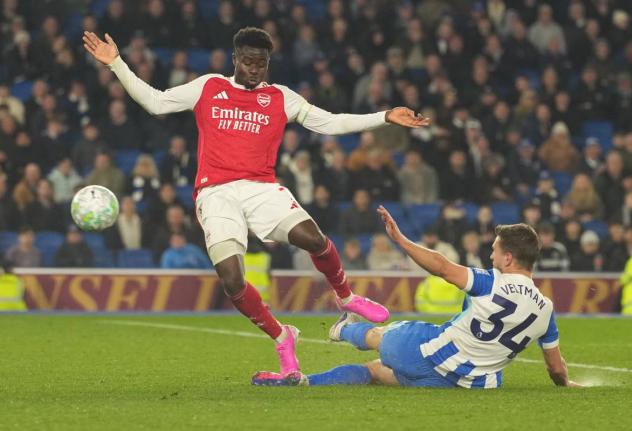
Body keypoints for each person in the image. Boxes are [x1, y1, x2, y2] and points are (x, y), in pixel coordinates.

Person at [83, 27, 427, 375]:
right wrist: (117, 65)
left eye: (260, 64)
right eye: (247, 62)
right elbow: (156, 102)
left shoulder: (281, 97)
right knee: (232, 280)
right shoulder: (209, 87)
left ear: (268, 63)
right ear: (235, 60)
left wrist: (383, 116)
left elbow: (331, 123)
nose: (253, 69)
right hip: (216, 193)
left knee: (314, 239)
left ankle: (346, 297)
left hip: (261, 188)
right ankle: (282, 336)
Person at [253, 206, 580, 388]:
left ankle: (340, 330)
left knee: (380, 336)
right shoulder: (546, 310)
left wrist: (401, 240)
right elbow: (555, 369)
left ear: (508, 258)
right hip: (466, 384)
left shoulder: (490, 281)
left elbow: (441, 266)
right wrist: (568, 385)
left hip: (427, 351)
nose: (491, 257)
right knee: (376, 373)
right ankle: (306, 382)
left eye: (495, 252)